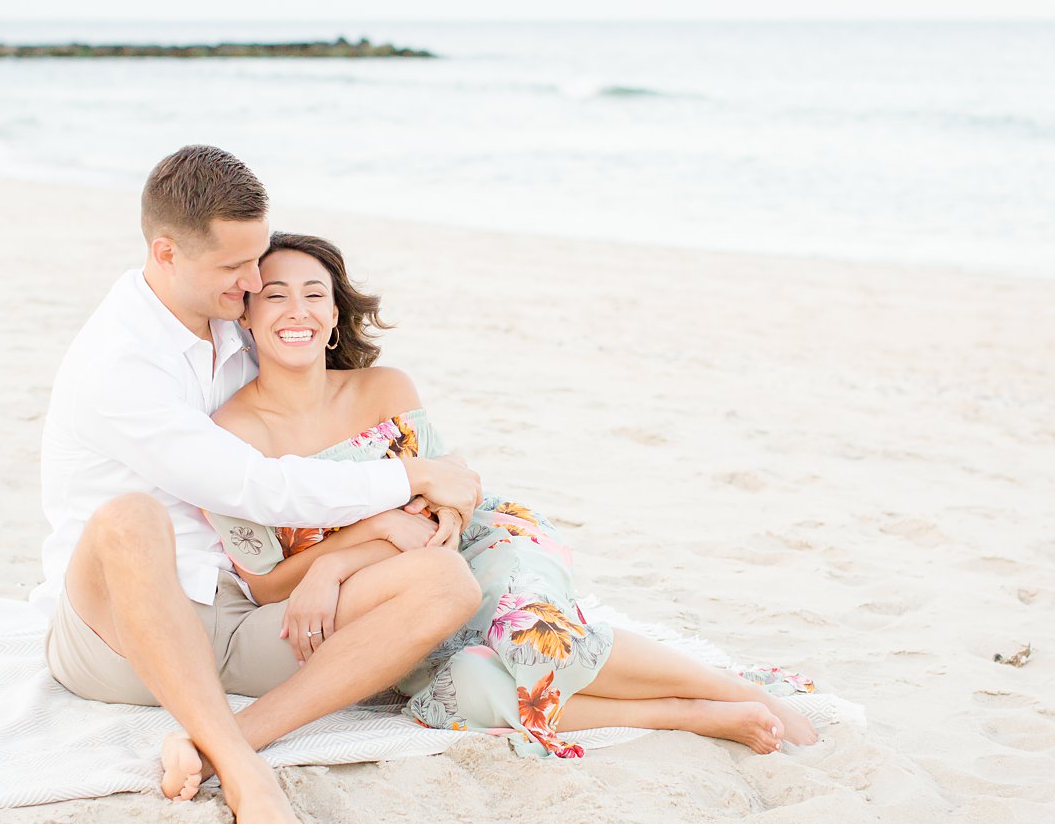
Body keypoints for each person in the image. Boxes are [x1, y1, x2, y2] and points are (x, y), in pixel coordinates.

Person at [205, 233, 822, 759]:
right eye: (276, 295)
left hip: (479, 542)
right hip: (396, 594)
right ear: (247, 317)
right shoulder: (230, 434)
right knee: (468, 689)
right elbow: (264, 584)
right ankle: (686, 713)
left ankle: (734, 692)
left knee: (527, 635)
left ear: (336, 314)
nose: (297, 311)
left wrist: (339, 561)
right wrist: (365, 543)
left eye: (315, 295)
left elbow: (443, 508)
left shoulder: (383, 389)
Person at [35, 146, 485, 824]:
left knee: (447, 584)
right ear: (166, 252)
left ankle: (223, 743)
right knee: (130, 517)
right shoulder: (117, 364)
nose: (253, 282)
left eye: (257, 261)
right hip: (118, 632)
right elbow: (253, 483)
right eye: (235, 268)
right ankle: (247, 777)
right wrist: (408, 478)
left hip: (242, 615)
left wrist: (435, 472)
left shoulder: (229, 323)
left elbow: (327, 422)